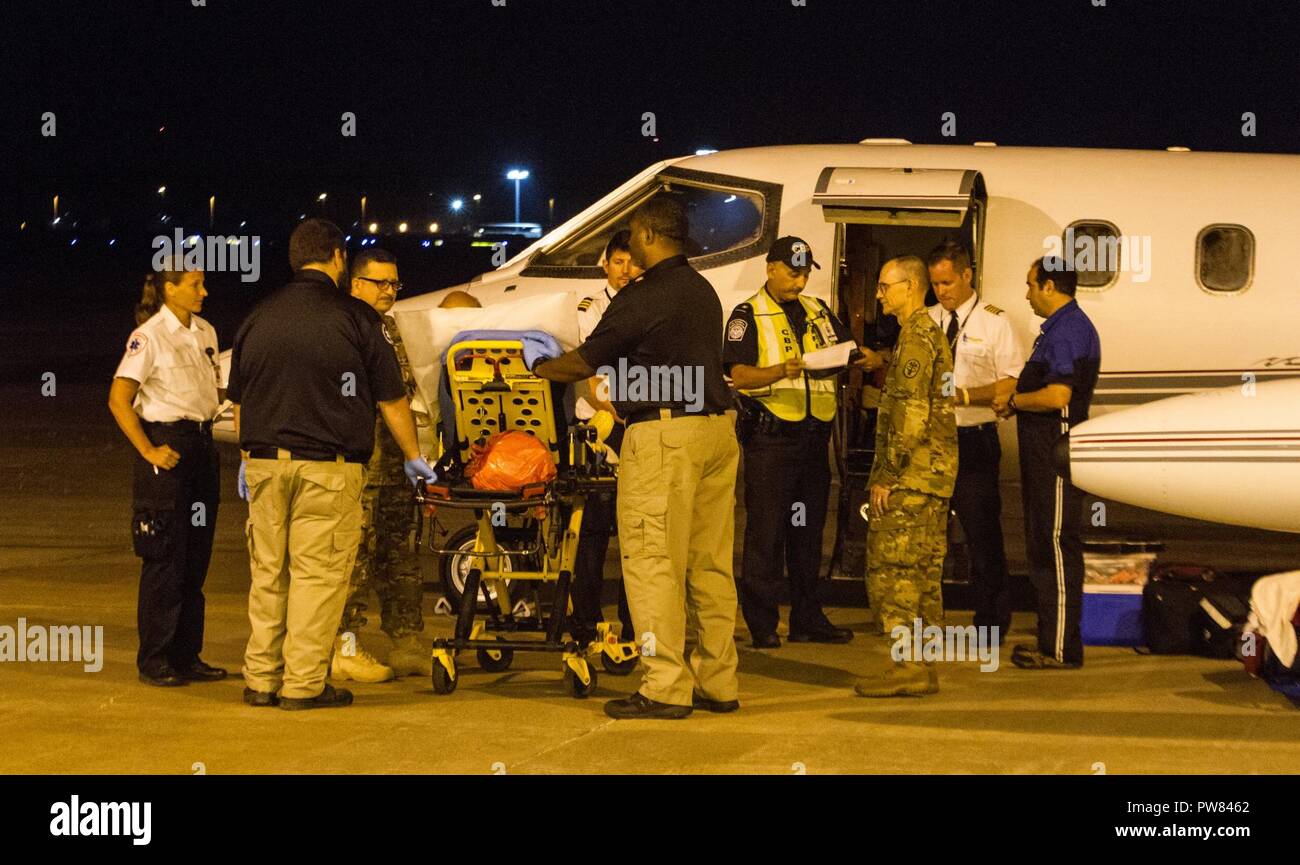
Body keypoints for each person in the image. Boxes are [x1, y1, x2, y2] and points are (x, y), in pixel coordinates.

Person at [535, 196, 740, 719]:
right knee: (710, 566)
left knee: (652, 564)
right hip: (716, 432)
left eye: (631, 236)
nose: (627, 247)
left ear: (649, 236)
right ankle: (718, 682)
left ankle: (664, 686)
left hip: (665, 437)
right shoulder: (702, 290)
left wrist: (538, 364)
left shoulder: (643, 295)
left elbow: (584, 360)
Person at [228, 219, 435, 710]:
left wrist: (246, 454)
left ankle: (261, 679)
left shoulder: (258, 317)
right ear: (339, 259)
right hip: (327, 467)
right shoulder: (357, 320)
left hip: (263, 465)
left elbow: (240, 398)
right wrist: (412, 456)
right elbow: (392, 400)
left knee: (270, 574)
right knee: (317, 577)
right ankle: (303, 685)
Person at [724, 236, 861, 648]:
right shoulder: (748, 314)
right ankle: (762, 624)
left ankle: (807, 617)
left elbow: (846, 350)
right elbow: (738, 374)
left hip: (812, 442)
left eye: (804, 273)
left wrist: (859, 357)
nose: (799, 281)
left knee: (806, 530)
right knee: (766, 534)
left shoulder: (817, 310)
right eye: (792, 272)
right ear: (771, 268)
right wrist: (781, 370)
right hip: (771, 443)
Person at [108, 263, 226, 687]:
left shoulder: (206, 332)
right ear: (169, 289)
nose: (204, 292)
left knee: (196, 557)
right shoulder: (149, 337)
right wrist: (148, 449)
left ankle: (187, 654)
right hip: (168, 445)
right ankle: (155, 658)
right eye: (195, 285)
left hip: (201, 446)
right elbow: (119, 399)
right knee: (164, 559)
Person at [855, 256, 957, 698]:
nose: (879, 294)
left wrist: (887, 476)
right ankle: (922, 667)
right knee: (923, 575)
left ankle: (906, 667)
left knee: (892, 573)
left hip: (911, 478)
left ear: (911, 286)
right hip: (932, 478)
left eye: (885, 286)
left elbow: (911, 415)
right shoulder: (927, 335)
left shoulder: (916, 338)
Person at [993, 256, 1101, 670]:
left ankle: (1059, 649)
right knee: (1042, 546)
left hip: (1055, 455)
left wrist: (1016, 401)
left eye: (1031, 284)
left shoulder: (1069, 330)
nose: (1027, 294)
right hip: (1042, 457)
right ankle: (1049, 641)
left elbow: (1059, 396)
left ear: (1050, 286)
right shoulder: (1057, 330)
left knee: (1055, 548)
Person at [331, 248, 430, 682]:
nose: (390, 291)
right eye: (381, 283)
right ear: (355, 284)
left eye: (395, 283)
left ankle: (406, 639)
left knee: (400, 555)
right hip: (358, 465)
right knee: (354, 559)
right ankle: (345, 647)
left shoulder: (389, 329)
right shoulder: (343, 329)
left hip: (392, 469)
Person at [925, 240, 1025, 638]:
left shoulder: (993, 322)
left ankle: (991, 618)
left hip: (973, 438)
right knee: (929, 531)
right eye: (935, 284)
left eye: (948, 282)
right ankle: (927, 616)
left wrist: (965, 396)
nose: (942, 291)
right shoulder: (927, 321)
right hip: (933, 440)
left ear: (967, 275)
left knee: (981, 531)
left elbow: (1012, 381)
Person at [569, 230, 640, 647]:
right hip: (599, 428)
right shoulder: (590, 309)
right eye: (618, 262)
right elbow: (591, 372)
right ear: (605, 264)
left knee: (635, 530)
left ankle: (633, 624)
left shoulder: (648, 304)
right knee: (591, 531)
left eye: (633, 263)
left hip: (633, 424)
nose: (626, 271)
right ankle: (586, 622)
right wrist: (621, 413)